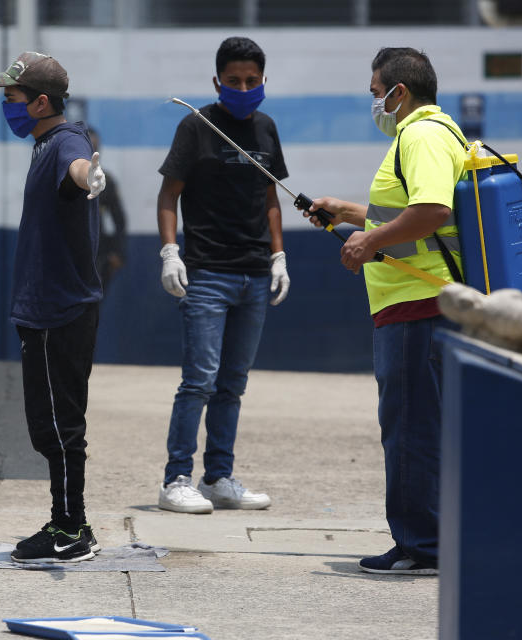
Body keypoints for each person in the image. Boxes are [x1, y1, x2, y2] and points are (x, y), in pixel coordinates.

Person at [304, 47, 466, 575]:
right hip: (419, 303)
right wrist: (349, 213)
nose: (374, 103)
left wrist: (366, 240)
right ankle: (430, 538)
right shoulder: (436, 133)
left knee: (411, 428)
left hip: (418, 305)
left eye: (377, 93)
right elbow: (413, 210)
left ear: (399, 92)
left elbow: (432, 211)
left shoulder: (419, 135)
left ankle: (424, 546)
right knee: (422, 425)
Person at [156, 36, 289, 515]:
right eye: (233, 81)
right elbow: (169, 195)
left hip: (255, 275)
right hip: (207, 274)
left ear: (263, 81)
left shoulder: (268, 129)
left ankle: (218, 478)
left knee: (232, 384)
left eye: (252, 81)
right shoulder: (196, 127)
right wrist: (171, 252)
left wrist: (279, 258)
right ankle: (175, 480)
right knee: (199, 381)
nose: (243, 87)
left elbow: (272, 198)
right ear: (217, 82)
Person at [0, 52, 106, 563]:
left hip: (60, 311)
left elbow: (77, 168)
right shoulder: (43, 145)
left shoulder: (64, 144)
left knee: (60, 425)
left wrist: (87, 176)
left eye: (11, 98)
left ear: (39, 102)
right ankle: (67, 521)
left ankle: (71, 529)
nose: (6, 106)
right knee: (49, 424)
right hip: (46, 310)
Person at [87, 129, 128, 290]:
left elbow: (120, 220)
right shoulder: (62, 180)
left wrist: (117, 253)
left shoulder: (106, 182)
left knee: (92, 307)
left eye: (94, 149)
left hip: (98, 254)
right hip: (67, 254)